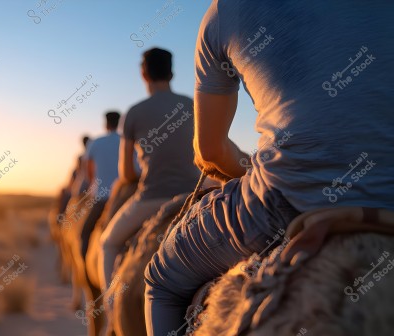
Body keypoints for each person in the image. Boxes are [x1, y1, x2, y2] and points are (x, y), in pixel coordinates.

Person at [144, 1, 394, 335]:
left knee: (160, 280)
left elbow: (211, 152)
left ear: (145, 72)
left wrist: (249, 168)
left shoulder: (225, 11)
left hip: (285, 198)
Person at [99, 48, 202, 302]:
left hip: (152, 197)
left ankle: (111, 308)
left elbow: (126, 172)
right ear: (172, 72)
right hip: (192, 195)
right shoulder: (191, 105)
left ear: (144, 74)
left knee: (107, 243)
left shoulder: (133, 112)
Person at [79, 111, 121, 258]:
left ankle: (84, 270)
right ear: (119, 122)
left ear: (106, 124)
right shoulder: (125, 140)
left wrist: (93, 185)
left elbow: (88, 170)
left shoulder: (96, 143)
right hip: (122, 197)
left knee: (85, 232)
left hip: (102, 198)